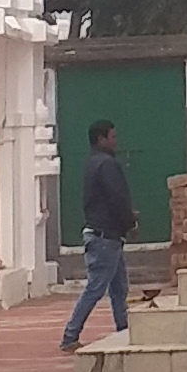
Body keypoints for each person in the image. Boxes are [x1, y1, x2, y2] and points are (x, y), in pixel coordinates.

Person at [57, 120, 138, 353]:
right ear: (101, 139)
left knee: (119, 287)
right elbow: (117, 198)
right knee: (96, 288)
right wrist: (130, 222)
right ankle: (70, 335)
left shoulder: (92, 163)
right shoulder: (107, 165)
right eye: (112, 137)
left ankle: (123, 328)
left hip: (105, 235)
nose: (116, 141)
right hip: (105, 237)